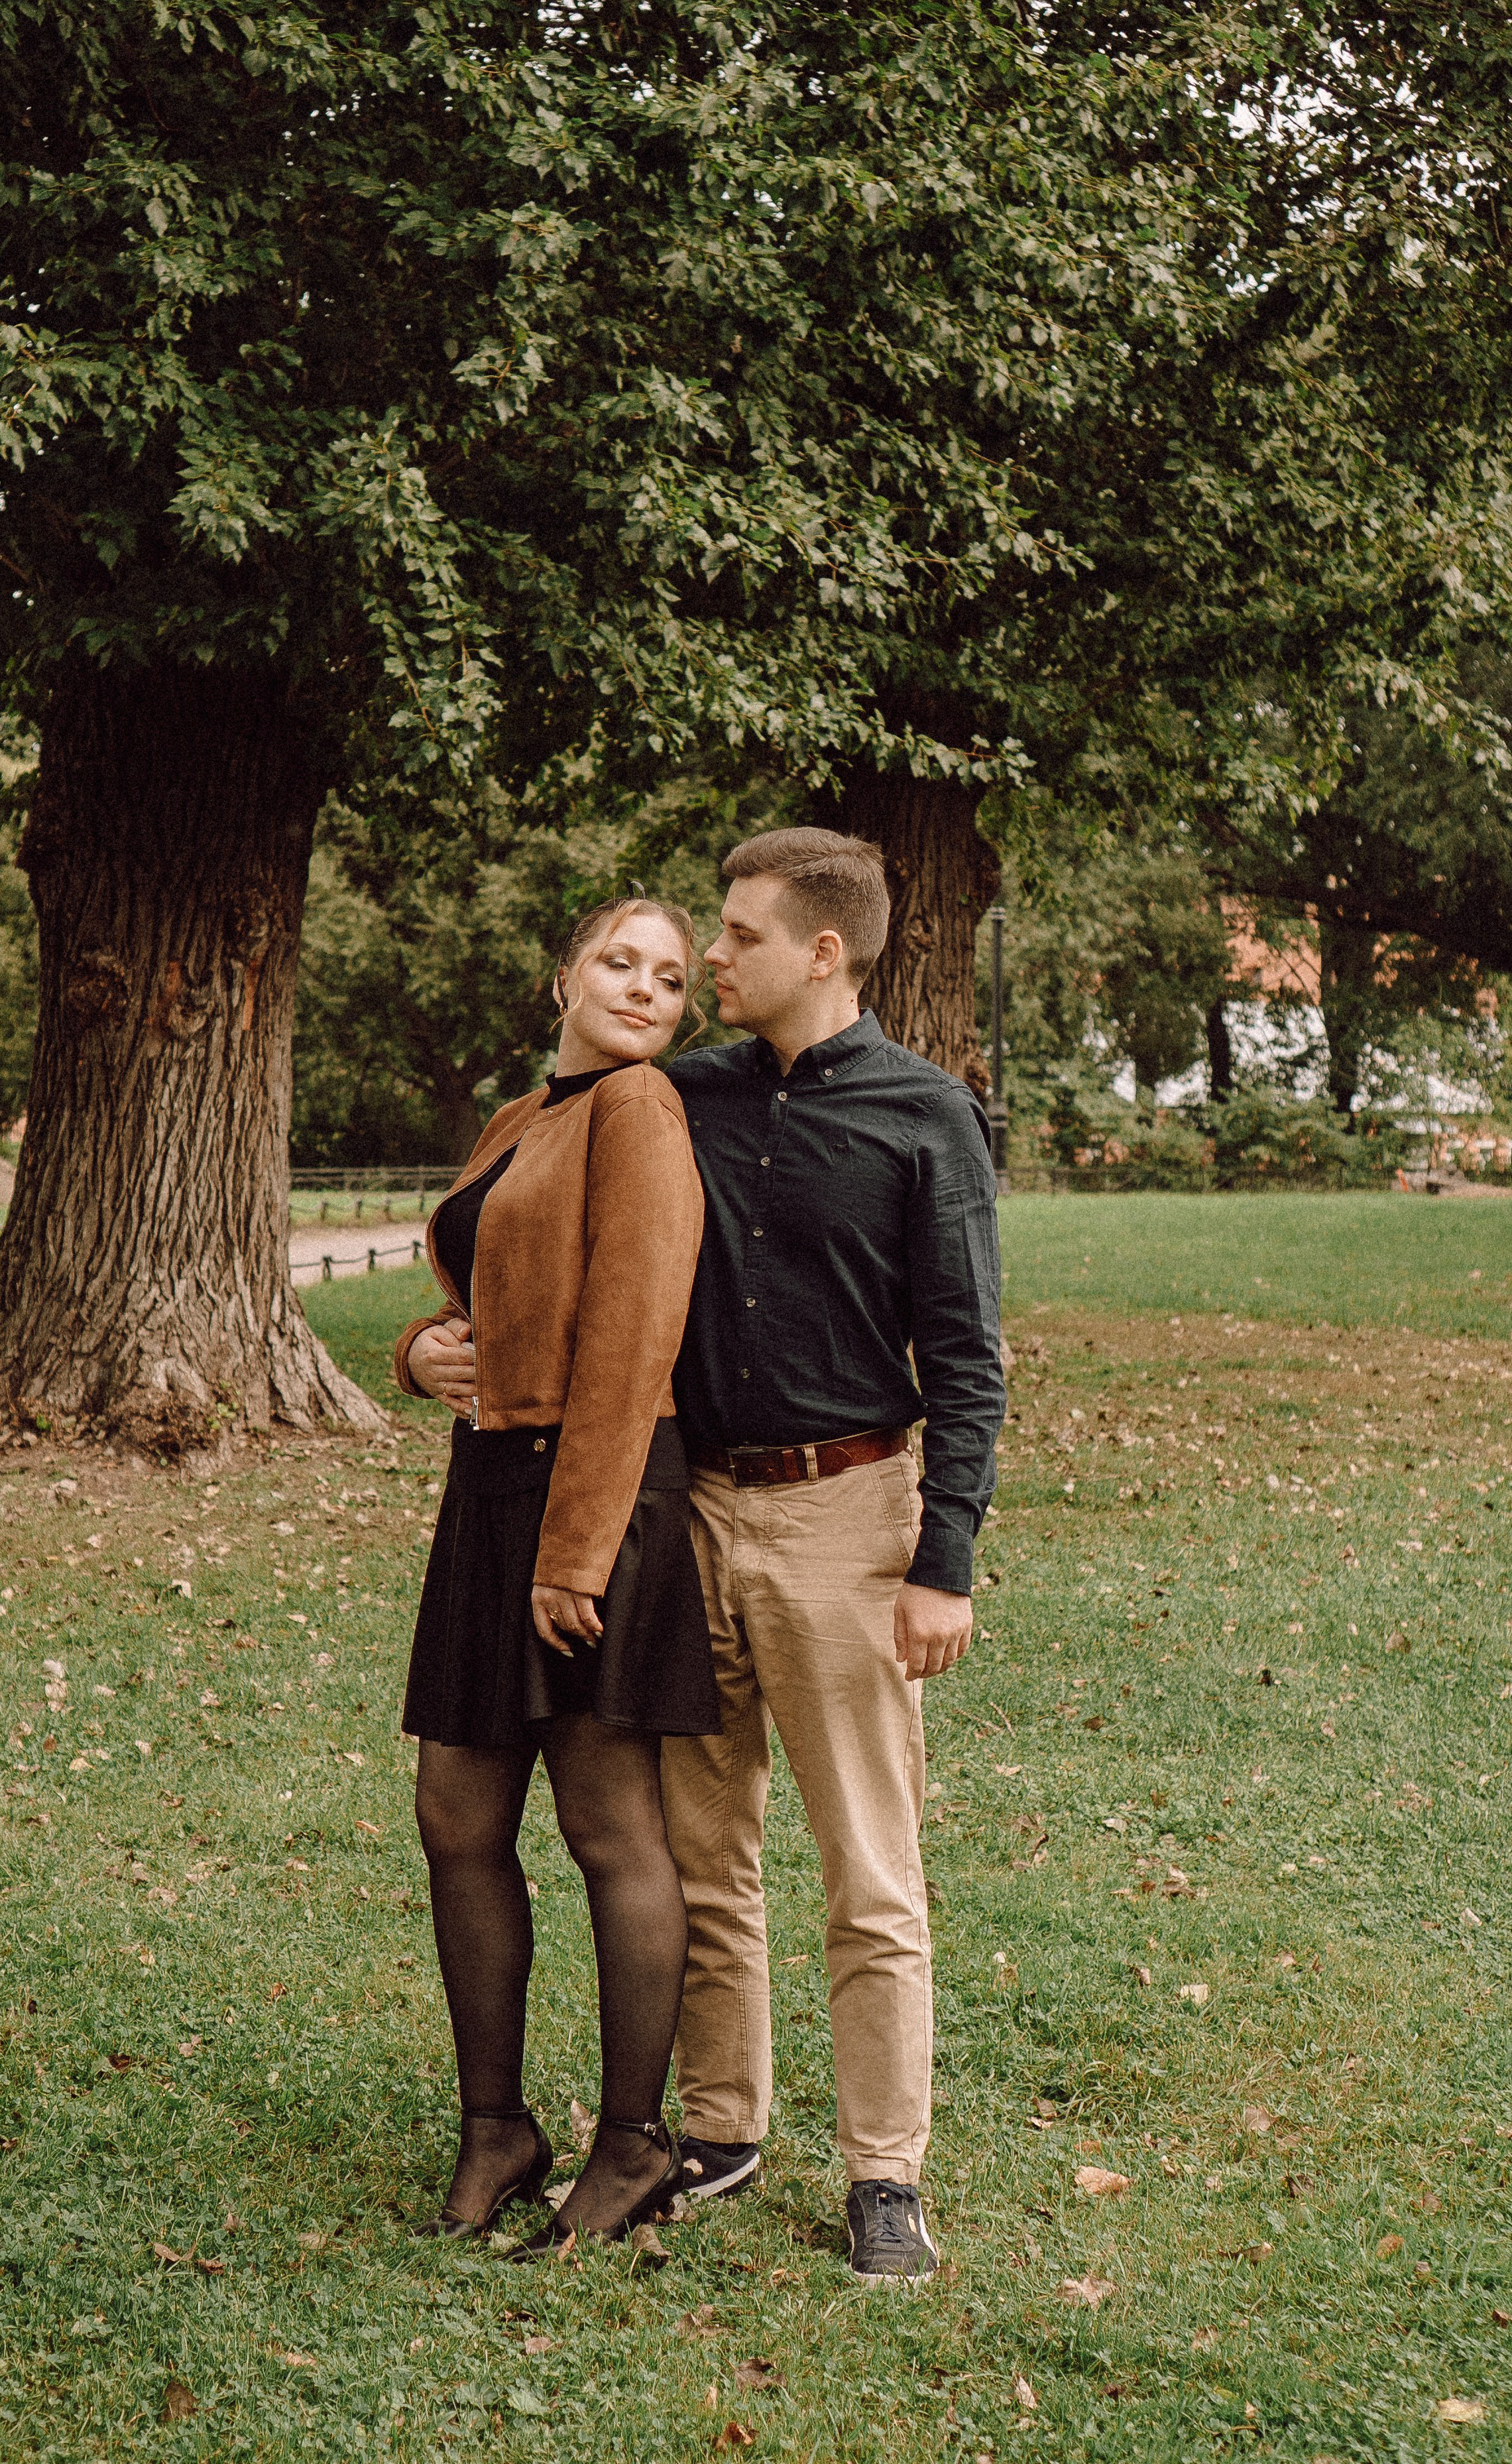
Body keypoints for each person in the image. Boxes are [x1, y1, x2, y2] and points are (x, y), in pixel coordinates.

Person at [662, 827, 1006, 2284]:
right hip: (688, 1513)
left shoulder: (927, 1115)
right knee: (702, 1856)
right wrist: (437, 1338)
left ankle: (883, 2174)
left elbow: (967, 1356)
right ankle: (720, 2128)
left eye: (737, 934)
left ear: (822, 950)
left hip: (849, 1522)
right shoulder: (677, 1096)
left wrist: (944, 1559)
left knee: (869, 1870)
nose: (711, 956)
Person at [392, 896, 716, 2255]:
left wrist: (576, 1551)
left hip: (595, 1491)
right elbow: (491, 1293)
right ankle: (496, 2130)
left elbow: (638, 1335)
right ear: (564, 978)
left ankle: (633, 2143)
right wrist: (419, 1352)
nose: (644, 990)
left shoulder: (637, 1108)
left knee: (607, 1824)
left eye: (672, 978)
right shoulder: (524, 1117)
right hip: (489, 1491)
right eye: (619, 963)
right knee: (456, 1814)